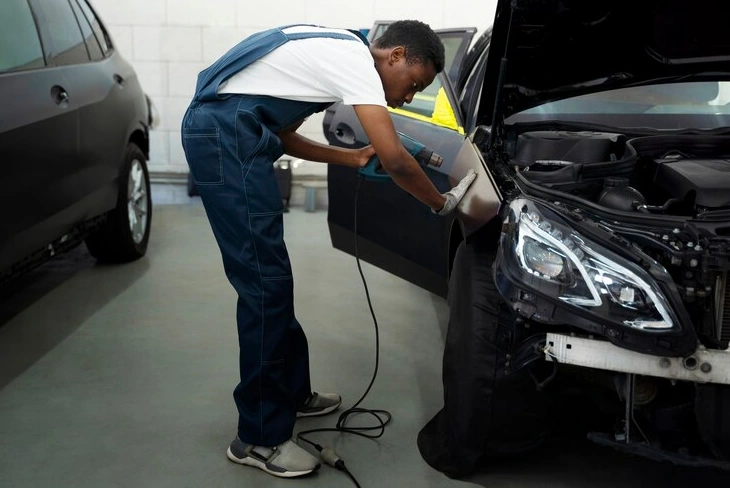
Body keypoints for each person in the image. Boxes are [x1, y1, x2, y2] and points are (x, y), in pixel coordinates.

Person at [181, 20, 477, 479]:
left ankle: (292, 394)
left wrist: (351, 157)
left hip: (236, 135)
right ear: (395, 56)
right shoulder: (356, 62)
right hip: (222, 141)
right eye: (414, 85)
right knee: (265, 287)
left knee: (274, 278)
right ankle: (257, 438)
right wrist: (444, 205)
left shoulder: (336, 50)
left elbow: (280, 136)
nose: (406, 98)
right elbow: (396, 157)